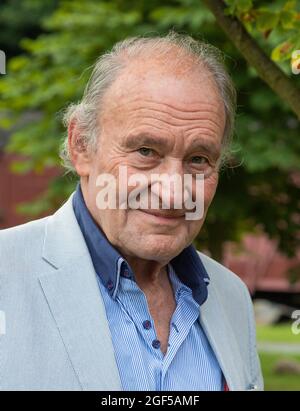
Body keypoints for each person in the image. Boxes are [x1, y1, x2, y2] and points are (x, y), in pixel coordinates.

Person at [0, 32, 263, 391]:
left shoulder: (231, 296)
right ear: (81, 146)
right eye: (145, 151)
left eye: (198, 159)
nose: (173, 192)